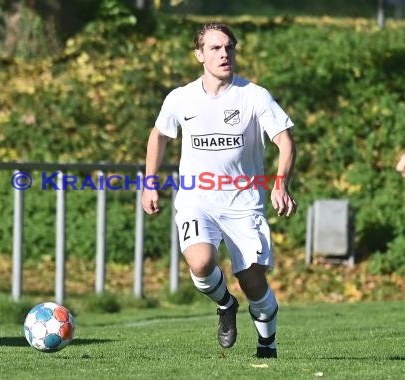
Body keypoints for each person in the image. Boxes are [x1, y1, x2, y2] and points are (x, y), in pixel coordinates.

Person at [141, 23, 297, 359]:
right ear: (199, 54)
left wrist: (280, 183)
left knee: (254, 284)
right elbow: (159, 136)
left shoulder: (254, 95)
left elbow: (285, 141)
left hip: (244, 203)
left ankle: (267, 343)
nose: (224, 54)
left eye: (229, 47)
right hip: (197, 200)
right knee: (200, 261)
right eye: (214, 48)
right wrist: (149, 183)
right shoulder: (180, 98)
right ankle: (226, 304)